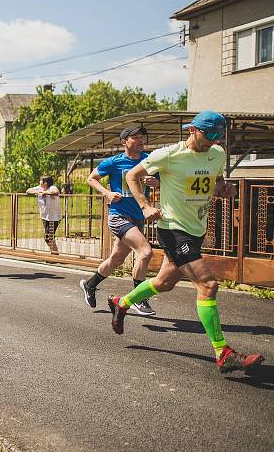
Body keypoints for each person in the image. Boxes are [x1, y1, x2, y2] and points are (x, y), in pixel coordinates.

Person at [108, 110, 264, 373]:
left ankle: (120, 304)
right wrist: (145, 206)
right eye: (209, 134)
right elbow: (131, 176)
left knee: (163, 283)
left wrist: (224, 190)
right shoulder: (169, 155)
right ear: (192, 130)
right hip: (173, 229)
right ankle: (222, 352)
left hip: (195, 229)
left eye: (218, 136)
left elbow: (216, 182)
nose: (213, 140)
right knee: (208, 285)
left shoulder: (217, 153)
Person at [81, 127, 157, 315]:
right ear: (124, 141)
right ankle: (139, 298)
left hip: (138, 217)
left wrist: (157, 183)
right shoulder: (115, 162)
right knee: (145, 252)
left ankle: (89, 285)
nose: (140, 140)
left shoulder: (149, 160)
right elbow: (91, 178)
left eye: (142, 137)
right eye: (135, 138)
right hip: (118, 216)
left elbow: (162, 180)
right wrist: (107, 193)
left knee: (116, 259)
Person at [26, 175, 62, 255]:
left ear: (45, 183)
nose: (39, 182)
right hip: (45, 217)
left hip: (54, 217)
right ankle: (54, 254)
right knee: (49, 237)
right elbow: (28, 191)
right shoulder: (40, 188)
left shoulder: (52, 188)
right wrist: (37, 192)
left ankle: (55, 254)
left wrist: (46, 193)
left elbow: (56, 192)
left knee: (48, 237)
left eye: (41, 181)